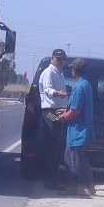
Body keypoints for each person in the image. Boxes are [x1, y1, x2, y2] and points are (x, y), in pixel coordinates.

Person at [55, 58, 96, 197]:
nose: (71, 71)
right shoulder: (86, 85)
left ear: (75, 71)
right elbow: (75, 107)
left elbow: (76, 110)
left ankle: (76, 187)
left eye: (72, 69)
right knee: (79, 159)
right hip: (81, 130)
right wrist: (64, 111)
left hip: (78, 131)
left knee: (73, 160)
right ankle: (86, 186)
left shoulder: (79, 87)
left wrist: (63, 117)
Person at [38, 48, 69, 188]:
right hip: (50, 112)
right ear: (52, 59)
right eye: (58, 59)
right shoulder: (49, 72)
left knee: (56, 147)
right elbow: (47, 89)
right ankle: (49, 181)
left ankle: (52, 180)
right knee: (50, 146)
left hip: (58, 111)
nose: (61, 61)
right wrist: (58, 93)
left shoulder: (59, 73)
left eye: (63, 59)